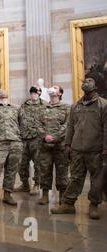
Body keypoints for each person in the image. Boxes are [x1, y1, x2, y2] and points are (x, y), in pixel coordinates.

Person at [51, 78, 107, 220]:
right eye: (85, 91)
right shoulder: (75, 106)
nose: (87, 94)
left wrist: (105, 149)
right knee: (75, 178)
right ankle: (68, 204)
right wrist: (68, 145)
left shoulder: (103, 105)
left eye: (90, 91)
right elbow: (70, 126)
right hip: (77, 149)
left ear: (94, 90)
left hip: (95, 150)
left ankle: (94, 204)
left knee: (96, 179)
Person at [36, 86, 70, 205]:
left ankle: (62, 195)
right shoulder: (42, 108)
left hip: (60, 146)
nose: (52, 89)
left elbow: (67, 125)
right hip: (44, 146)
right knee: (44, 170)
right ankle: (45, 195)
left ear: (60, 93)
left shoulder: (66, 108)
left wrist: (55, 137)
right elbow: (37, 124)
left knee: (62, 171)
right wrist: (45, 136)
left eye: (55, 88)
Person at [16, 86, 46, 195]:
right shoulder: (25, 105)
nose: (33, 95)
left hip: (37, 139)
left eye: (35, 93)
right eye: (32, 93)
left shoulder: (45, 105)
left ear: (39, 94)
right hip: (24, 138)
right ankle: (25, 184)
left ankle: (37, 185)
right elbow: (19, 118)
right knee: (22, 163)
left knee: (38, 163)